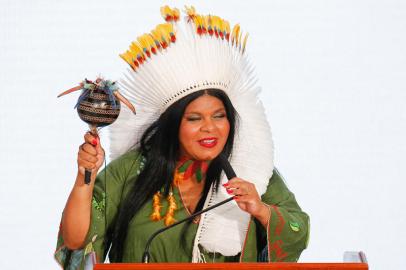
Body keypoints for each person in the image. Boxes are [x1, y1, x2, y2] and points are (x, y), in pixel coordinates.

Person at [55, 6, 309, 269]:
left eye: (219, 116)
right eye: (194, 119)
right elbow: (76, 244)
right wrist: (84, 180)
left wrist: (260, 210)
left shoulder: (251, 170)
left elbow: (297, 228)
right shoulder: (130, 170)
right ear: (173, 125)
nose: (210, 128)